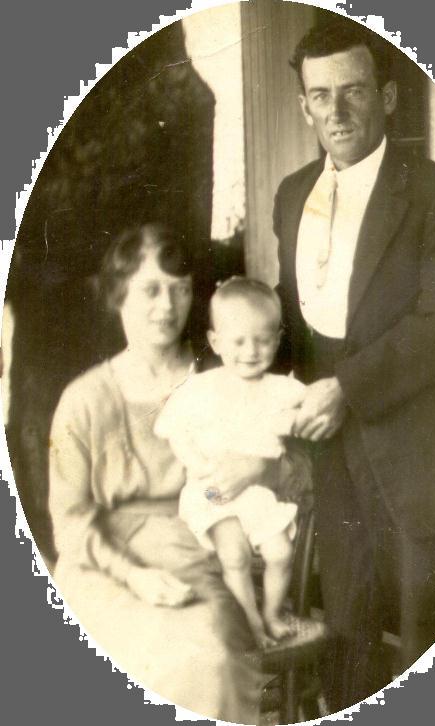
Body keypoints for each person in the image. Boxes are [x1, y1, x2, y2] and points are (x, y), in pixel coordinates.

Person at [273, 21, 435, 712]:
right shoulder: (291, 196)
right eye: (320, 96)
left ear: (385, 97)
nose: (336, 112)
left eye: (352, 92)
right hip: (330, 458)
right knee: (345, 641)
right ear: (303, 106)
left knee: (426, 641)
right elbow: (293, 331)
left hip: (422, 456)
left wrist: (345, 388)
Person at [48, 224, 267, 722]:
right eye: (150, 289)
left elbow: (275, 464)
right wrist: (136, 577)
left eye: (179, 289)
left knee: (209, 657)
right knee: (128, 656)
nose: (166, 306)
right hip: (103, 570)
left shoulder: (223, 382)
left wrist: (253, 466)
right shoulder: (82, 401)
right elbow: (69, 524)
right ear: (118, 295)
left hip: (195, 554)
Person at [155, 277, 305, 648]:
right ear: (216, 341)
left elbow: (307, 422)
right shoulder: (201, 388)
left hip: (258, 493)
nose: (251, 351)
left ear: (277, 339)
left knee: (281, 553)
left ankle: (271, 612)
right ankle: (251, 622)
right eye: (238, 341)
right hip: (212, 489)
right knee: (234, 554)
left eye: (263, 340)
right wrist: (199, 466)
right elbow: (173, 429)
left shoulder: (281, 390)